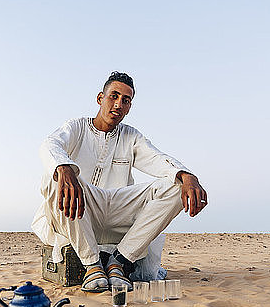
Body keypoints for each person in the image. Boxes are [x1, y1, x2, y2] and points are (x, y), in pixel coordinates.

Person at [31, 71, 208, 292]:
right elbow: (50, 145)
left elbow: (156, 158)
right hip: (80, 213)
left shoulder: (130, 136)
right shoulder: (76, 127)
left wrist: (187, 175)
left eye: (126, 100)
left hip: (117, 211)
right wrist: (64, 168)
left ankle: (120, 261)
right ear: (100, 98)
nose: (118, 104)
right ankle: (92, 265)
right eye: (113, 96)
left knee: (177, 184)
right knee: (54, 175)